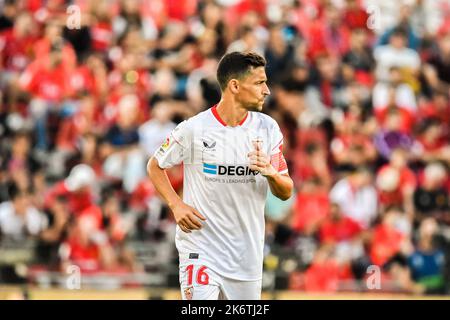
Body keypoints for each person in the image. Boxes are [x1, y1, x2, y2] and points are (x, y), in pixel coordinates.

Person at [147, 51, 293, 300]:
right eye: (259, 82)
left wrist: (270, 173)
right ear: (235, 85)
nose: (267, 90)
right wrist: (176, 204)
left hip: (246, 255)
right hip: (201, 249)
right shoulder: (195, 128)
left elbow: (285, 191)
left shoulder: (267, 128)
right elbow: (155, 165)